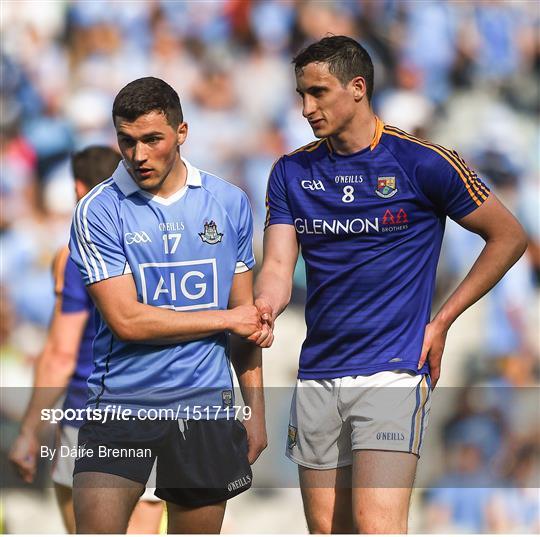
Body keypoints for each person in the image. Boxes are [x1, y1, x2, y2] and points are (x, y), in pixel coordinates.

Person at [254, 35, 527, 534]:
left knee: (377, 526)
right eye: (300, 94)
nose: (305, 108)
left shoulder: (423, 162)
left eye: (318, 92)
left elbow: (509, 237)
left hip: (392, 369)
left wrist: (443, 320)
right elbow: (276, 264)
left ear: (357, 88)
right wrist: (267, 306)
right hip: (318, 370)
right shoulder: (291, 171)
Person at [68, 77, 269, 534]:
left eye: (152, 139)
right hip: (121, 404)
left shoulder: (229, 202)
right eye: (127, 141)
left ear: (181, 133)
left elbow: (247, 327)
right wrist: (226, 318)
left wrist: (255, 412)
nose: (138, 155)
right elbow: (127, 321)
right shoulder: (98, 210)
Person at [9, 146, 164, 533]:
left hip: (88, 415)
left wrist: (29, 429)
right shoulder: (162, 245)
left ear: (79, 188)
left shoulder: (75, 254)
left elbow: (61, 353)